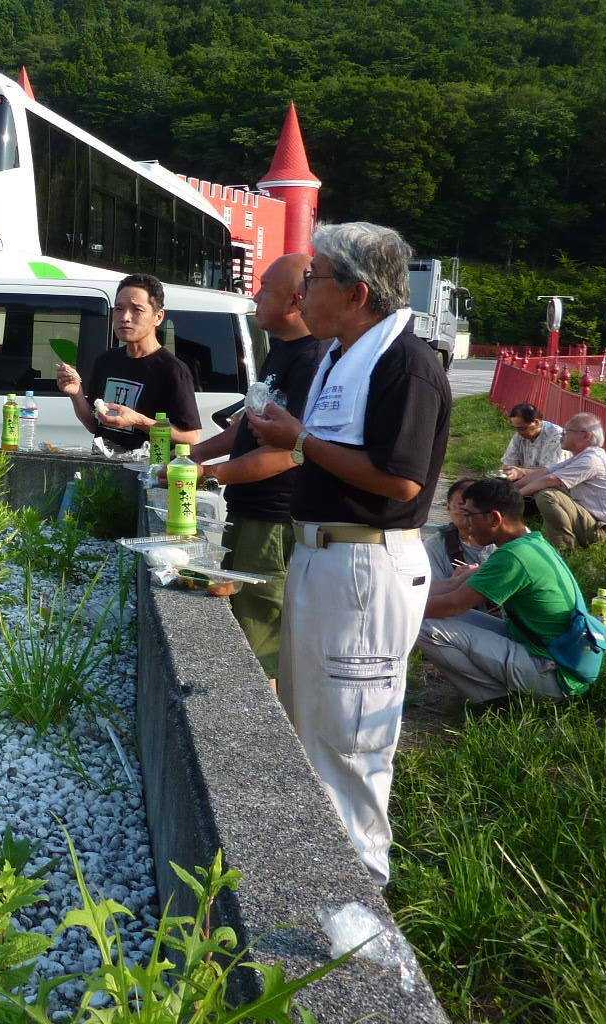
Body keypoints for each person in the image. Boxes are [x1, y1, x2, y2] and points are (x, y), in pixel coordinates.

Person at [248, 221, 451, 887]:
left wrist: (300, 440)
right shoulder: (340, 356)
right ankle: (320, 873)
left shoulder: (406, 364)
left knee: (353, 737)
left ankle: (361, 896)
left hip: (364, 566)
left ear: (358, 292)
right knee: (314, 721)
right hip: (323, 556)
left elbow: (401, 480)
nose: (302, 292)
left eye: (315, 279)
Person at [186, 254, 328, 686]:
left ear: (296, 300)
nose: (255, 295)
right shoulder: (281, 353)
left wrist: (210, 476)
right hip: (249, 510)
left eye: (265, 288)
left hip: (275, 518)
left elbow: (291, 452)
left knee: (260, 629)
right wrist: (190, 459)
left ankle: (263, 733)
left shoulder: (312, 360)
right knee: (241, 618)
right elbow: (245, 428)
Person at [418, 477, 596, 704]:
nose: (465, 524)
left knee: (422, 624)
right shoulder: (530, 543)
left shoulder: (513, 557)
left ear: (494, 518)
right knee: (434, 614)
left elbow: (453, 604)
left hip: (554, 673)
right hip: (548, 654)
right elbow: (454, 585)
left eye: (470, 516)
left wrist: (396, 610)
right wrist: (400, 594)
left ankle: (495, 700)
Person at [55, 273, 201, 452]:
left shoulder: (172, 369)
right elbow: (95, 425)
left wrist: (138, 421)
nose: (125, 317)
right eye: (119, 308)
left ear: (158, 317)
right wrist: (76, 392)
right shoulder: (106, 361)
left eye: (137, 310)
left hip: (146, 474)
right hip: (102, 471)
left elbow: (191, 437)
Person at [504, 412, 606, 550]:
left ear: (586, 435)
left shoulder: (591, 460)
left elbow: (548, 480)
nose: (562, 435)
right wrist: (507, 489)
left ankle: (563, 548)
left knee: (547, 494)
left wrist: (512, 498)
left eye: (567, 431)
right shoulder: (582, 456)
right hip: (589, 521)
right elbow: (544, 472)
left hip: (602, 531)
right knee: (546, 490)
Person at [501, 403, 565, 472]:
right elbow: (508, 463)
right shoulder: (519, 435)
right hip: (529, 478)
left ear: (536, 422)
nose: (519, 433)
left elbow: (551, 472)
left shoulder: (557, 437)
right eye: (516, 428)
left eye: (522, 429)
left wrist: (520, 472)